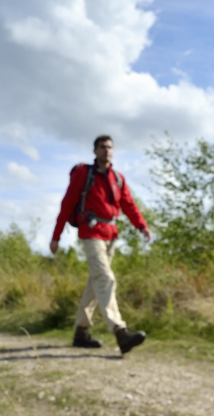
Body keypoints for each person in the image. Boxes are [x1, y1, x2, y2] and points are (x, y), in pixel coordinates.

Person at [50, 135, 152, 354]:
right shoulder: (83, 174)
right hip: (91, 233)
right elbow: (67, 204)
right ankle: (120, 331)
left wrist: (142, 226)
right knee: (106, 278)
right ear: (94, 151)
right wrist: (56, 236)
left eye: (110, 147)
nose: (106, 150)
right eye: (102, 147)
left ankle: (81, 332)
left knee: (95, 284)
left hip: (111, 235)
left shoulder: (118, 178)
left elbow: (129, 205)